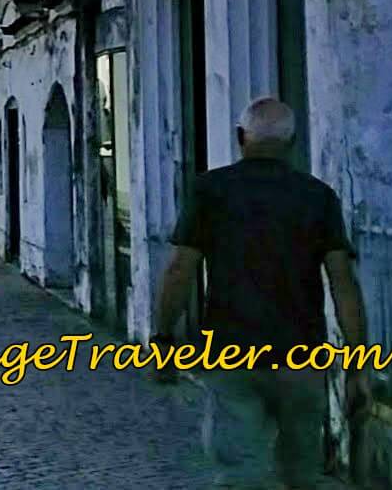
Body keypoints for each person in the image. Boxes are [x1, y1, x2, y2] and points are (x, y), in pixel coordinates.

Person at [151, 97, 369, 490]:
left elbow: (180, 269)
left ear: (240, 137)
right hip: (302, 355)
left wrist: (163, 339)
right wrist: (356, 364)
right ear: (293, 141)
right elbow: (343, 283)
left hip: (232, 353)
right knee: (302, 473)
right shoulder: (317, 196)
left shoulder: (210, 190)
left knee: (241, 475)